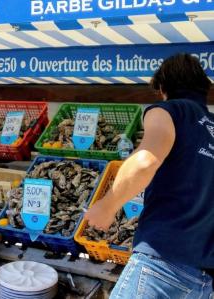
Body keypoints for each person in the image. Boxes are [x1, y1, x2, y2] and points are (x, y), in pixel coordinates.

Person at [85, 53, 214, 298]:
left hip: (161, 265)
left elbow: (145, 161)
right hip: (204, 281)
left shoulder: (169, 111)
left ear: (163, 88)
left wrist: (107, 205)